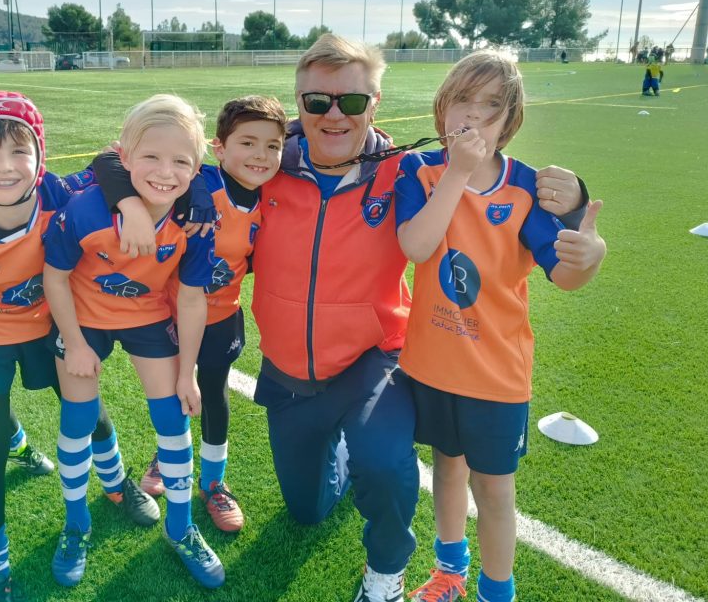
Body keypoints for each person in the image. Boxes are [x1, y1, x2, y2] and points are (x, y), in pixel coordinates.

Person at [248, 34, 587, 602]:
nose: (334, 115)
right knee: (307, 511)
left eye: (352, 101)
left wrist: (576, 202)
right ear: (297, 103)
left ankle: (386, 573)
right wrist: (116, 179)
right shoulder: (263, 166)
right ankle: (342, 452)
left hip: (371, 361)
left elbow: (496, 189)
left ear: (374, 103)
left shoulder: (402, 169)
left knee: (386, 463)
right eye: (317, 102)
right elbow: (163, 168)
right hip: (289, 373)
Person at [0, 91, 156, 601]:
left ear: (40, 154)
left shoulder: (61, 194)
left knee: (88, 410)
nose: (5, 166)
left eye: (19, 150)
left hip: (52, 324)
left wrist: (128, 202)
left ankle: (117, 484)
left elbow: (109, 159)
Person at [395, 51, 606, 602]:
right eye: (463, 99)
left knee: (493, 489)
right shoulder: (418, 171)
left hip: (495, 374)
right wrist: (458, 171)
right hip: (432, 363)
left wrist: (591, 254)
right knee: (446, 470)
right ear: (442, 107)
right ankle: (449, 572)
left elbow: (565, 276)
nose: (473, 114)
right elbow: (417, 246)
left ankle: (497, 591)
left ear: (509, 120)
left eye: (491, 105)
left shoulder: (526, 187)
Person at [43, 94, 225, 589]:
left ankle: (181, 527)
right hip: (83, 319)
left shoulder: (196, 221)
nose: (165, 172)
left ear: (197, 167)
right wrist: (74, 342)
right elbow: (54, 277)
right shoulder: (86, 208)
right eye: (151, 157)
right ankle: (77, 523)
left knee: (173, 417)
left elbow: (192, 299)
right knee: (77, 419)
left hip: (148, 315)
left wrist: (187, 372)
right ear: (122, 157)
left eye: (181, 161)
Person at [94, 95, 288, 533]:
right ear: (218, 148)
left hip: (221, 316)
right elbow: (107, 159)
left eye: (272, 146)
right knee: (174, 393)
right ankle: (168, 455)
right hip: (168, 312)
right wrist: (145, 201)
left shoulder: (275, 194)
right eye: (247, 143)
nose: (260, 155)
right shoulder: (192, 182)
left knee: (213, 392)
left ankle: (214, 483)